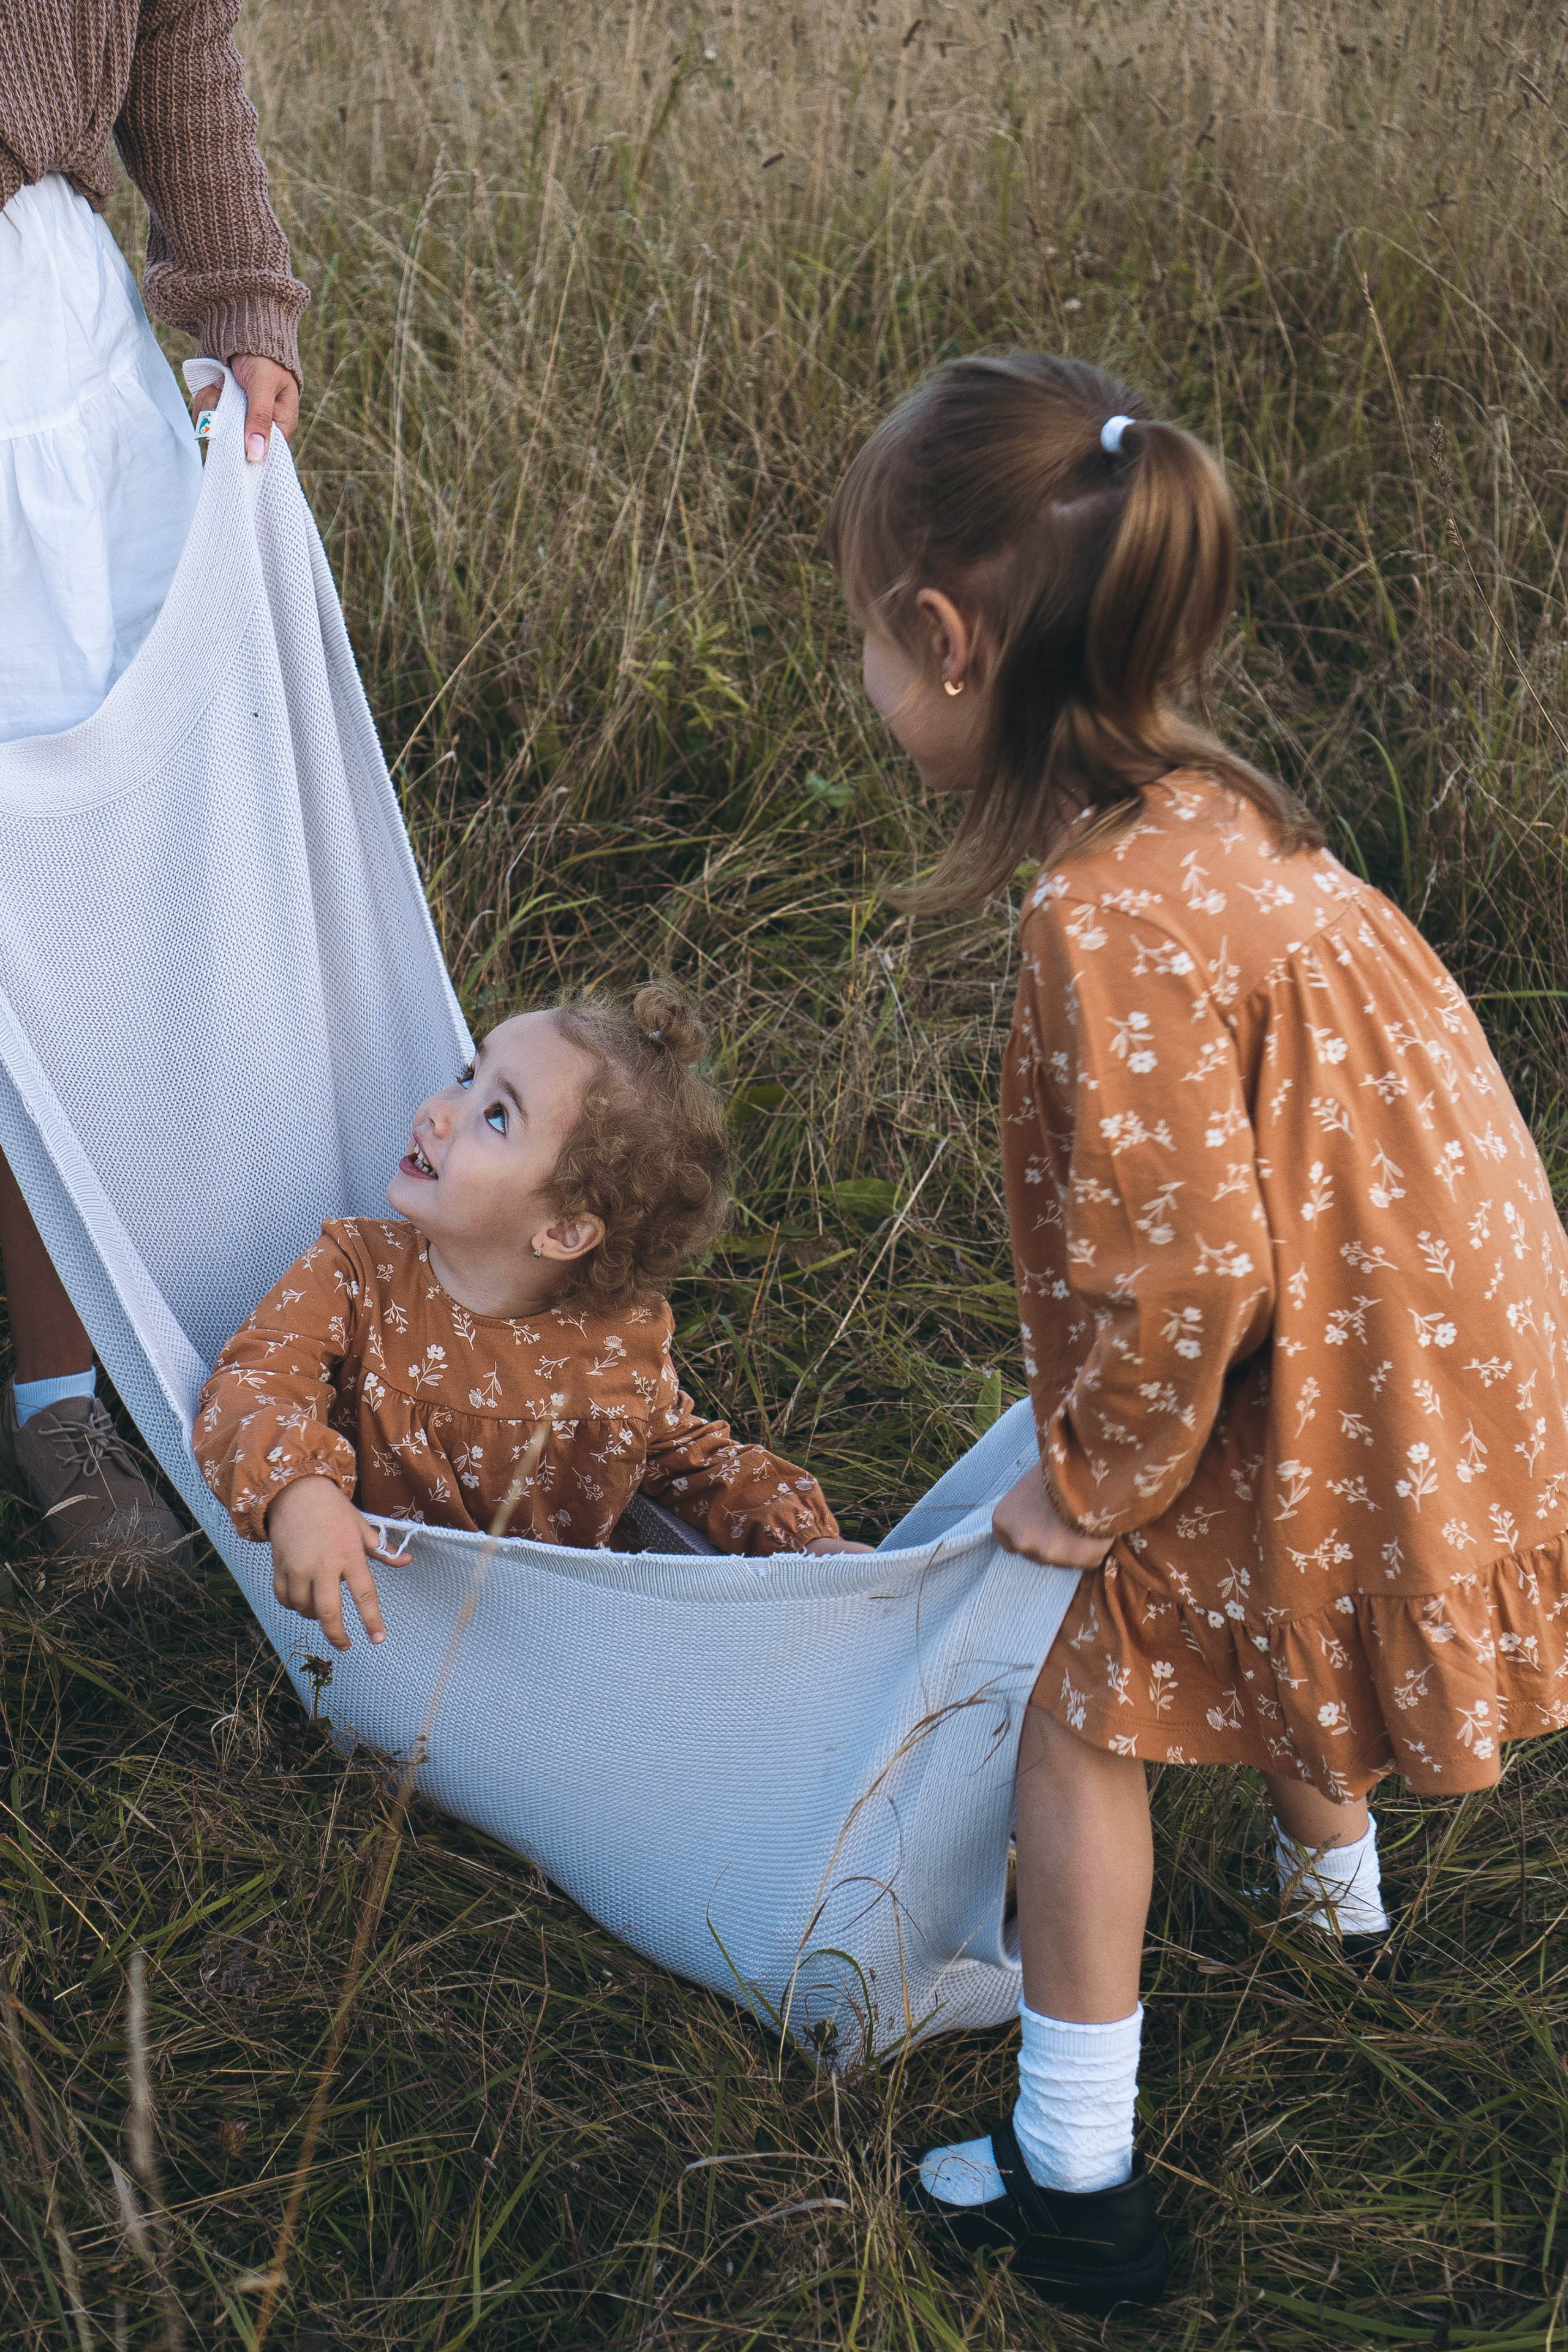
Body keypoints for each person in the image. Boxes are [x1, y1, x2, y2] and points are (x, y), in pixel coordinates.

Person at [823, 352, 1568, 2312]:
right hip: (1427, 1315)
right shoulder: (1224, 807)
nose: (872, 689)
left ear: (944, 636)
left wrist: (1102, 1479)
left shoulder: (1100, 919)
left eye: (869, 651)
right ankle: (1338, 1916)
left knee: (1085, 1699)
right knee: (1277, 1576)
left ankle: (1074, 2177)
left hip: (1317, 1335)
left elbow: (1179, 1274)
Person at [0, 1, 307, 1567]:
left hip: (44, 357)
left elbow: (176, 30)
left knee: (70, 886)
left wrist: (240, 293)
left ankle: (63, 1379)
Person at [195, 985, 871, 1647]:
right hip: (373, 1621)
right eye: (466, 1076)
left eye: (496, 1116)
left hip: (551, 1650)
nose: (435, 1111)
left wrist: (805, 1542)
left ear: (566, 1232)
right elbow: (256, 1380)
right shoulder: (353, 1272)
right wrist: (301, 1491)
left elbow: (692, 1463)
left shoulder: (612, 1348)